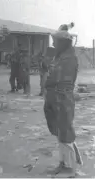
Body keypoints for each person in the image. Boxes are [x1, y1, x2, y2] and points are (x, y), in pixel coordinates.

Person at [43, 22, 82, 177]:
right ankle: (64, 163)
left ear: (63, 43)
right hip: (55, 99)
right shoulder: (60, 57)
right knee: (60, 133)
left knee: (65, 133)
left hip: (62, 100)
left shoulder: (69, 59)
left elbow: (59, 80)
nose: (53, 44)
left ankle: (70, 167)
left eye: (56, 41)